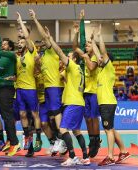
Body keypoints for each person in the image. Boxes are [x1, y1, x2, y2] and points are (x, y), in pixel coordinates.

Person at [47, 27, 90, 166]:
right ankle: (85, 156)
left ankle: (72, 156)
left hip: (72, 102)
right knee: (77, 131)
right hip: (79, 102)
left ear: (74, 59)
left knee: (63, 129)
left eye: (69, 56)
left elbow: (59, 52)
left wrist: (50, 39)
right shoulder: (77, 70)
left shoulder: (72, 66)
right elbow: (61, 77)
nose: (67, 57)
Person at [29, 9, 66, 155]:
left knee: (55, 118)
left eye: (44, 41)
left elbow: (44, 36)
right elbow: (37, 72)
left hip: (55, 87)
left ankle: (63, 142)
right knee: (45, 122)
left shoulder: (52, 51)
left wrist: (35, 19)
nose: (42, 42)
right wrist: (37, 63)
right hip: (45, 92)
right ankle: (54, 142)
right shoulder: (42, 57)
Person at [93, 25, 131, 166]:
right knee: (111, 129)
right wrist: (92, 41)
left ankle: (110, 156)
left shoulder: (108, 68)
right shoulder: (101, 70)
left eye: (102, 58)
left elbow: (102, 51)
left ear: (107, 59)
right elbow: (98, 53)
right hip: (106, 103)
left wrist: (100, 36)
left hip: (107, 103)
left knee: (108, 129)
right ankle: (123, 151)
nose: (99, 59)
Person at [73, 10, 101, 158]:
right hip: (85, 92)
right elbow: (77, 44)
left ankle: (96, 141)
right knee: (87, 118)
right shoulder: (83, 55)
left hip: (95, 92)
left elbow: (91, 67)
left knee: (94, 118)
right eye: (87, 44)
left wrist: (85, 57)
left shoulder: (95, 57)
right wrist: (80, 25)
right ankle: (92, 140)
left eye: (89, 43)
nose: (87, 45)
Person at [0, 18, 20, 156]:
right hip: (0, 89)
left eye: (5, 44)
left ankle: (15, 143)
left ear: (10, 47)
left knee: (8, 116)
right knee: (4, 116)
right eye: (2, 44)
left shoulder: (11, 56)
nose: (2, 45)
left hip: (7, 89)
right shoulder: (2, 55)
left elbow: (1, 51)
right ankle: (9, 140)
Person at [16, 12, 42, 157]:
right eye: (18, 42)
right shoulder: (18, 57)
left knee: (34, 114)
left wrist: (20, 21)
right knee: (22, 114)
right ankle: (28, 139)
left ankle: (38, 137)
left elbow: (26, 36)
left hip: (30, 89)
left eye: (22, 41)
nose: (20, 42)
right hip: (19, 90)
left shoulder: (32, 51)